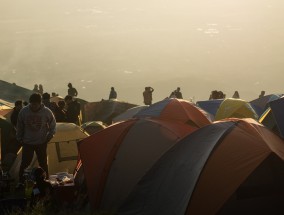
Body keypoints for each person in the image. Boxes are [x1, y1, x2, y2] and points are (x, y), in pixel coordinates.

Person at [16, 93, 56, 189]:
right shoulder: (24, 111)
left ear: (40, 103)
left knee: (43, 163)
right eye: (32, 104)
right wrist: (19, 138)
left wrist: (49, 136)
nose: (33, 106)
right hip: (27, 142)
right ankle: (21, 181)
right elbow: (19, 125)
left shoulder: (46, 112)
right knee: (25, 163)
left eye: (35, 104)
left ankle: (46, 181)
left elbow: (53, 125)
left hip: (41, 142)